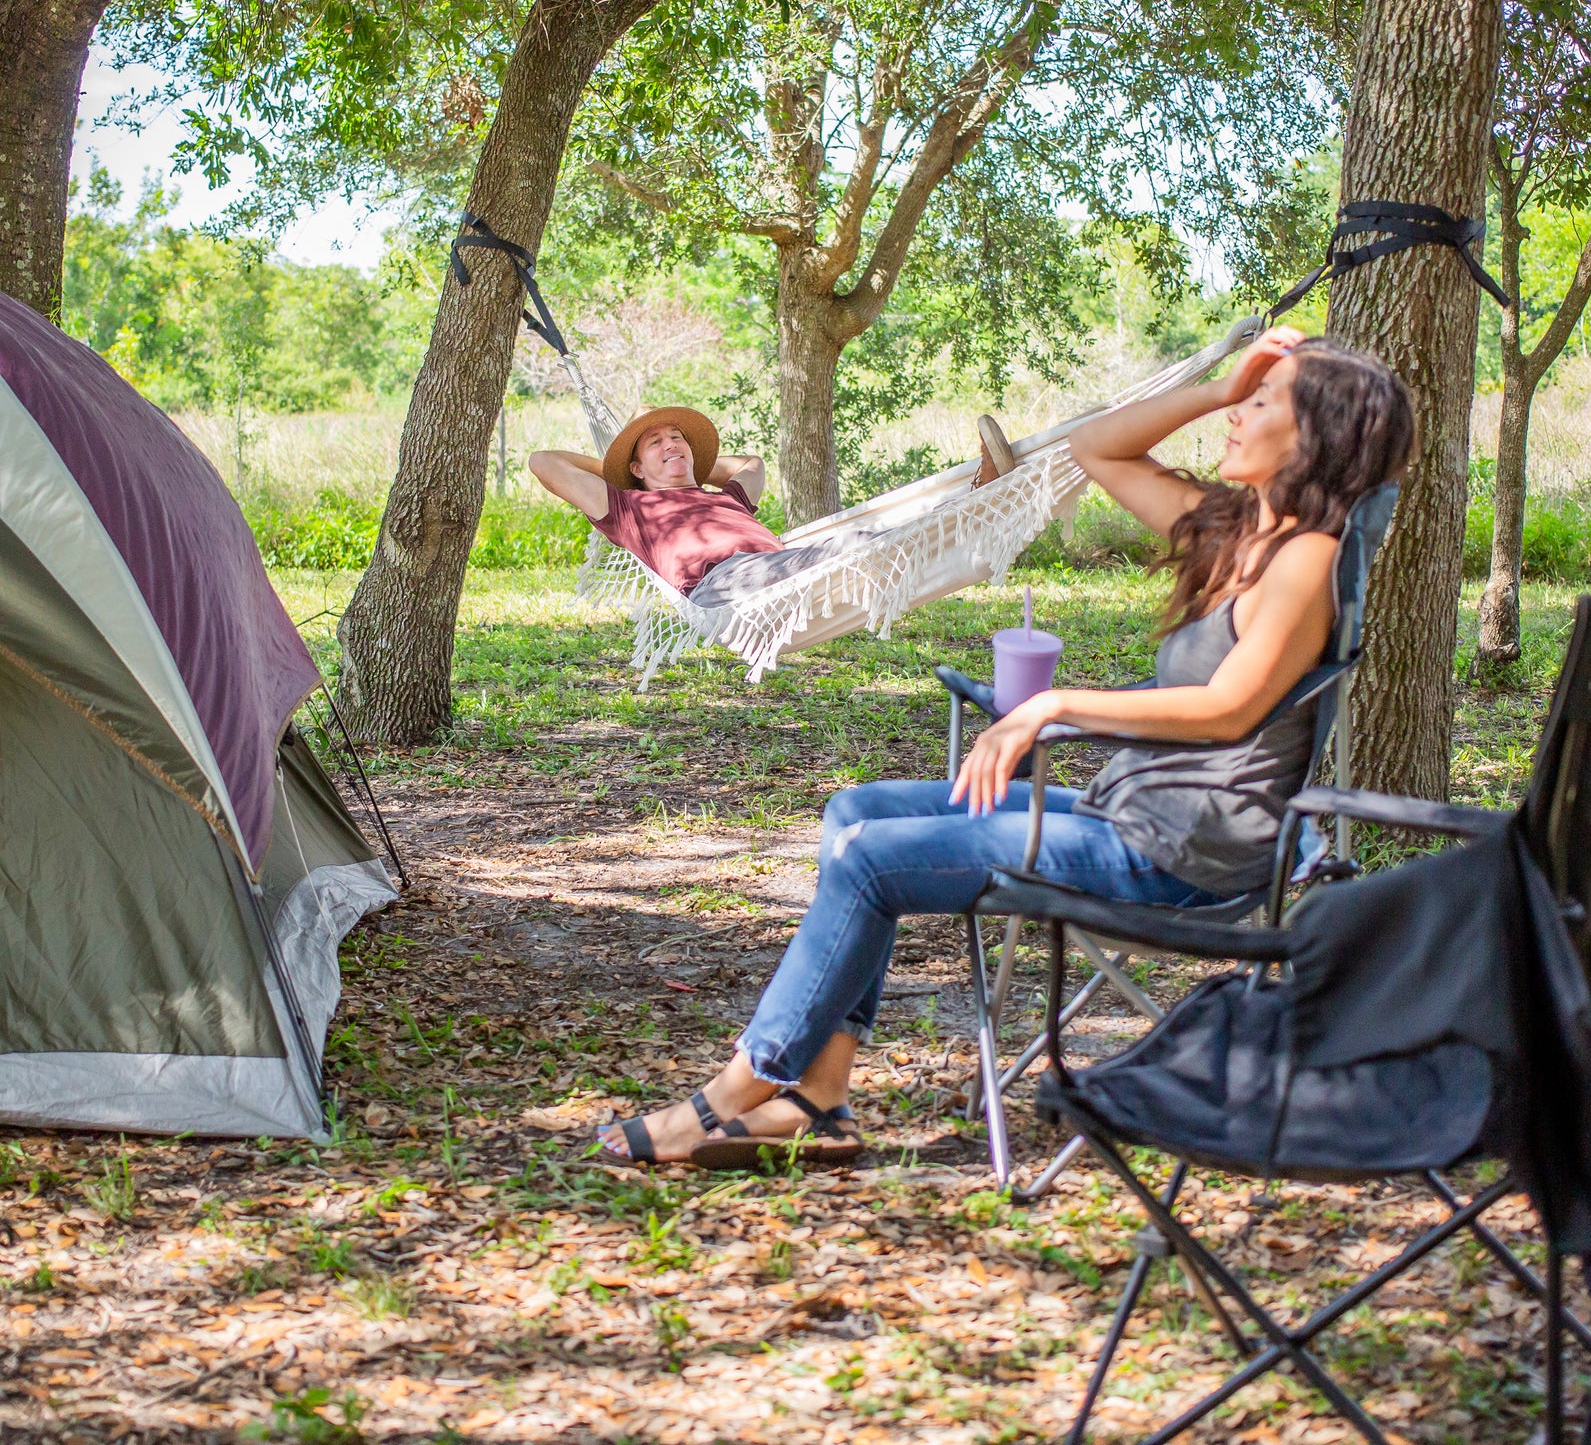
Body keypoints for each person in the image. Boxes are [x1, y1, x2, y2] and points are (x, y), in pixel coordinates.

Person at [594, 329, 1416, 1166]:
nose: (1238, 414)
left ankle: (734, 1095)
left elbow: (1228, 711)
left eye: (1262, 403)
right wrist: (1213, 389)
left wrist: (1049, 705)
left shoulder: (1307, 559)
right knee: (857, 810)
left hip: (1184, 853)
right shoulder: (1235, 529)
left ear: (1317, 435)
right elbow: (1097, 445)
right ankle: (820, 1100)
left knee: (873, 860)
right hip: (1133, 814)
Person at [529, 409, 1022, 608]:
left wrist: (686, 463)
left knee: (872, 533)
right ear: (636, 469)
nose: (672, 443)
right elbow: (543, 461)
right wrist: (619, 466)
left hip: (782, 566)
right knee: (857, 543)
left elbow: (751, 463)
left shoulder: (724, 499)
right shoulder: (627, 507)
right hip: (726, 585)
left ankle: (979, 496)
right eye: (657, 443)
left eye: (677, 437)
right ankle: (982, 497)